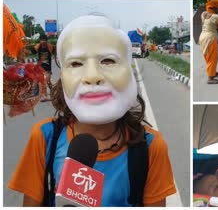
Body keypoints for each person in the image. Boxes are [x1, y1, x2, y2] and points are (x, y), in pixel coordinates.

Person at [8, 15, 176, 207]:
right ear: (62, 78)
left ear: (130, 73)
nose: (92, 76)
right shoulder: (45, 138)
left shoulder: (151, 147)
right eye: (76, 64)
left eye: (108, 61)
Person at [199, 0, 218, 84]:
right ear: (214, 7)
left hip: (202, 37)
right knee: (212, 57)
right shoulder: (216, 17)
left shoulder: (203, 14)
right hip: (211, 38)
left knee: (208, 56)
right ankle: (210, 78)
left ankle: (212, 72)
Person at [30, 34, 54, 101]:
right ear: (40, 41)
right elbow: (32, 52)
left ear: (46, 41)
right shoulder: (38, 46)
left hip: (48, 67)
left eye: (44, 40)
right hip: (40, 67)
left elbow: (56, 52)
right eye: (41, 40)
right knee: (39, 80)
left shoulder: (50, 46)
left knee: (48, 82)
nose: (42, 42)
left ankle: (53, 93)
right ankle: (42, 95)